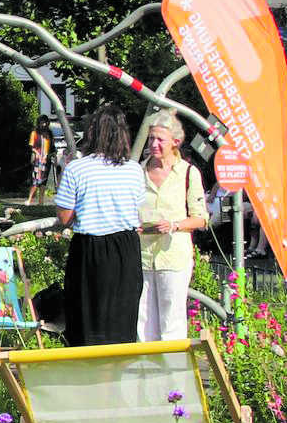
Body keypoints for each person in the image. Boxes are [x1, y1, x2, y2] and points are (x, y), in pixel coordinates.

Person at [53, 104, 145, 346]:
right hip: (126, 248)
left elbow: (64, 217)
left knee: (87, 311)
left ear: (93, 133)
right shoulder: (134, 170)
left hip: (91, 248)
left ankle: (88, 366)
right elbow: (137, 211)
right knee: (122, 312)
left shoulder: (78, 169)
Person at [138, 110, 209, 341]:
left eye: (160, 139)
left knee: (172, 322)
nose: (154, 144)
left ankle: (174, 373)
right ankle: (147, 372)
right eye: (151, 139)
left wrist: (174, 225)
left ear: (175, 142)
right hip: (142, 256)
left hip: (173, 256)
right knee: (143, 322)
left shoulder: (188, 173)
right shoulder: (138, 171)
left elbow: (201, 218)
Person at [25, 115, 55, 203]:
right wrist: (37, 153)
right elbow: (31, 146)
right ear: (38, 123)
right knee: (35, 179)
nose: (43, 124)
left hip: (46, 160)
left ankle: (41, 201)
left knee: (43, 180)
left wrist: (52, 156)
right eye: (42, 122)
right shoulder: (34, 133)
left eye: (45, 122)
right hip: (37, 160)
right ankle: (30, 199)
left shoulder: (50, 133)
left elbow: (52, 147)